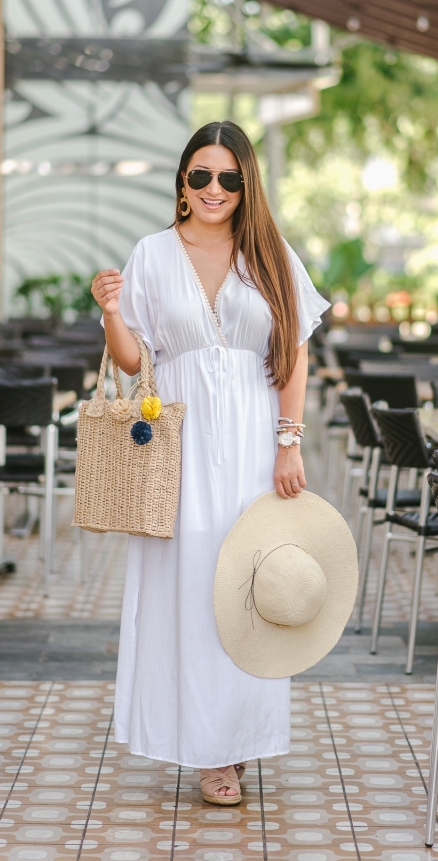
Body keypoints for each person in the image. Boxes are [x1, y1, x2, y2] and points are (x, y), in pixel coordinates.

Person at [91, 120, 328, 805]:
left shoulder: (271, 254)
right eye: (201, 175)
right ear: (182, 183)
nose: (214, 188)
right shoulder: (153, 253)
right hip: (180, 447)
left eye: (229, 177)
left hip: (256, 445)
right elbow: (137, 361)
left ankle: (240, 734)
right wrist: (111, 311)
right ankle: (207, 750)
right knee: (194, 589)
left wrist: (290, 439)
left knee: (257, 588)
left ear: (246, 183)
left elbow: (293, 354)